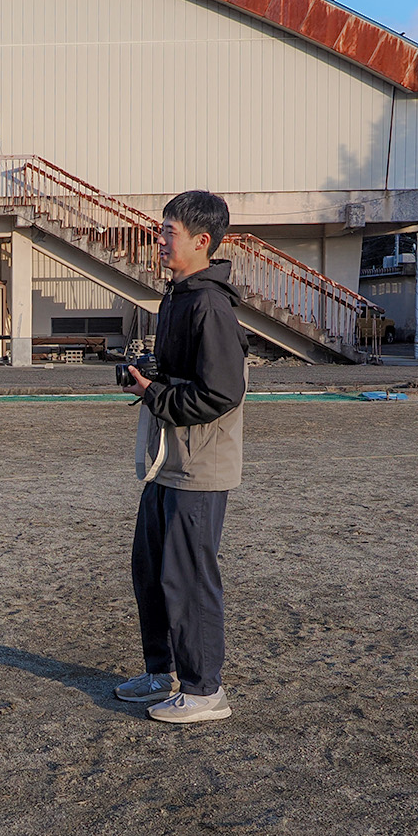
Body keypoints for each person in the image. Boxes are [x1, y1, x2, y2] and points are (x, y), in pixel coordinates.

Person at [117, 190, 249, 724]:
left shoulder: (210, 304)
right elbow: (182, 375)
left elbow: (221, 393)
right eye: (162, 230)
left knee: (189, 575)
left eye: (169, 232)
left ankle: (203, 691)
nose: (161, 240)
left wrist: (154, 393)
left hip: (200, 462)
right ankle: (162, 672)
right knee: (150, 567)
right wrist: (146, 374)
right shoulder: (178, 294)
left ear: (203, 241)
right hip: (167, 458)